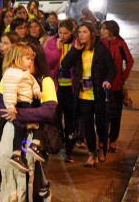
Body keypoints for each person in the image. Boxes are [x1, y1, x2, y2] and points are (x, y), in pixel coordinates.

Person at [0, 41, 57, 202]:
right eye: (24, 57)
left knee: (28, 182)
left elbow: (48, 111)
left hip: (32, 138)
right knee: (8, 180)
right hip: (9, 135)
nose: (27, 61)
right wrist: (25, 114)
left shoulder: (45, 81)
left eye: (29, 57)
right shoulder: (11, 74)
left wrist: (19, 115)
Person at [60, 21, 115, 166]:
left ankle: (102, 145)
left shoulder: (101, 48)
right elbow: (65, 65)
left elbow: (112, 68)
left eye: (84, 32)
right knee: (88, 124)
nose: (81, 35)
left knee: (101, 123)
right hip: (83, 94)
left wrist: (108, 81)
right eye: (79, 32)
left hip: (98, 93)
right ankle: (92, 153)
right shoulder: (78, 48)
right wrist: (75, 51)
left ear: (91, 33)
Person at [1, 44, 45, 173]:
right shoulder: (11, 73)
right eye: (28, 59)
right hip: (20, 104)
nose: (30, 62)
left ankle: (17, 154)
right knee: (38, 122)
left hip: (26, 103)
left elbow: (33, 82)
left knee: (20, 129)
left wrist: (37, 91)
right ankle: (34, 145)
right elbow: (9, 90)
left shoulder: (24, 73)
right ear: (17, 58)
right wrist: (10, 105)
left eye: (31, 59)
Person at [43, 18, 76, 162]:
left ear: (71, 32)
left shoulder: (76, 44)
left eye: (65, 33)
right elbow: (48, 63)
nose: (62, 36)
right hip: (56, 88)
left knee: (70, 119)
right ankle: (58, 142)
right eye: (60, 32)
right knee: (55, 118)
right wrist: (57, 49)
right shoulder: (51, 43)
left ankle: (69, 149)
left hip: (71, 88)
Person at [100, 20, 134, 153]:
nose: (101, 31)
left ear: (111, 30)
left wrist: (123, 77)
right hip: (102, 86)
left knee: (115, 116)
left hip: (116, 87)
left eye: (104, 29)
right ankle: (102, 140)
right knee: (102, 115)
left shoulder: (120, 43)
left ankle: (113, 140)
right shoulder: (100, 43)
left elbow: (130, 61)